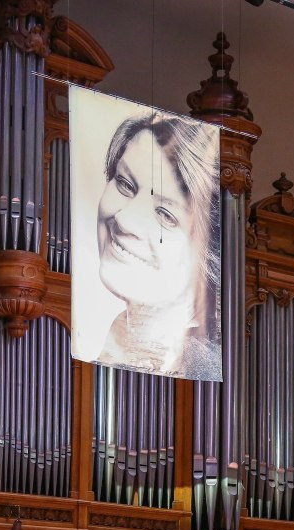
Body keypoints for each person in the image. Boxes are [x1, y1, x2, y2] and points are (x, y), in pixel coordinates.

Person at [82, 107, 221, 380]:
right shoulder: (112, 340)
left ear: (208, 255)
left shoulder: (203, 367)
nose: (126, 221)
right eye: (124, 183)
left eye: (165, 215)